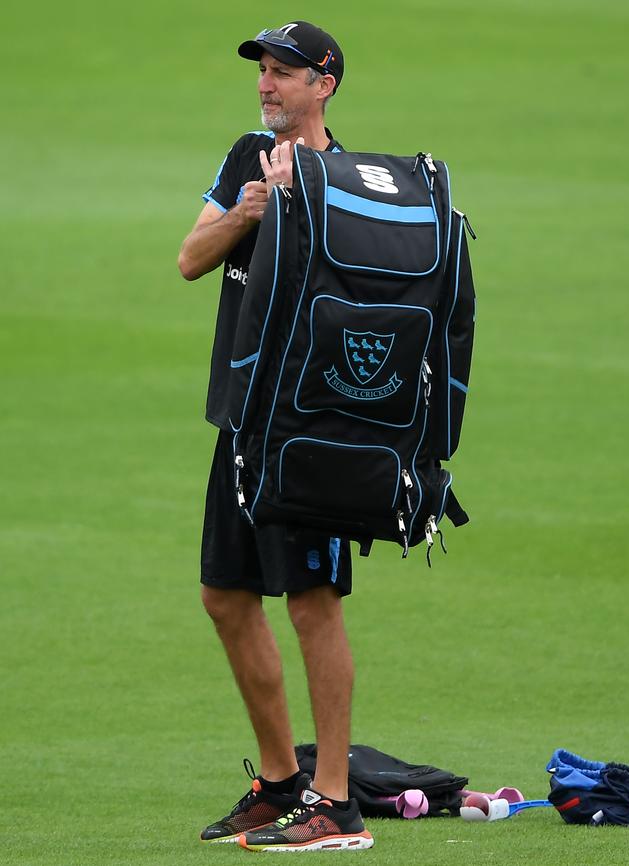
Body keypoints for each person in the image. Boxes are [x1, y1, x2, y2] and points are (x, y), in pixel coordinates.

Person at [178, 21, 374, 853]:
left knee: (311, 601)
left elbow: (361, 301)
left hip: (312, 429)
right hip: (243, 418)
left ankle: (336, 801)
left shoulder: (356, 182)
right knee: (225, 594)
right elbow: (191, 257)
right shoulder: (243, 159)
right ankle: (280, 780)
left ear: (323, 84)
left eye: (284, 73)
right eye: (263, 70)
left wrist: (295, 209)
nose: (266, 84)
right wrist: (252, 209)